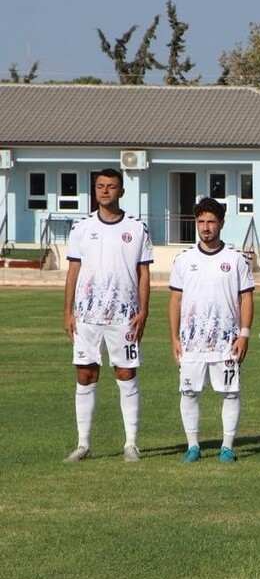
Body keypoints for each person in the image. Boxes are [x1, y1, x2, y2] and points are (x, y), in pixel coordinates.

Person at [63, 168, 154, 462]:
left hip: (124, 317)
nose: (105, 191)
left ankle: (131, 444)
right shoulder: (81, 228)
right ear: (95, 190)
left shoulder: (137, 228)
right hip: (87, 317)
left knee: (125, 373)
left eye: (111, 186)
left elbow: (144, 274)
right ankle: (83, 445)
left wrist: (143, 310)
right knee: (85, 374)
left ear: (121, 191)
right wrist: (68, 311)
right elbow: (73, 272)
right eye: (100, 186)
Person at [168, 197, 254, 463]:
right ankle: (193, 445)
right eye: (201, 221)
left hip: (226, 341)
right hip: (192, 341)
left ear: (221, 224)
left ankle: (227, 446)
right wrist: (174, 337)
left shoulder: (236, 259)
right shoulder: (183, 259)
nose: (205, 227)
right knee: (189, 391)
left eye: (211, 222)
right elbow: (175, 300)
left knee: (230, 391)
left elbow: (247, 298)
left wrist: (244, 334)